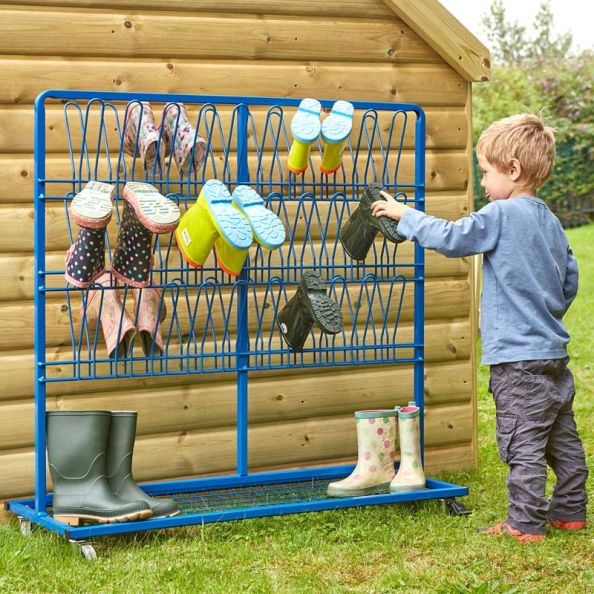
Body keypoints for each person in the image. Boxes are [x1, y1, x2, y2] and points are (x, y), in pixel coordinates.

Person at [371, 113, 588, 543]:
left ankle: (524, 523)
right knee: (562, 438)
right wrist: (544, 316)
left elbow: (453, 238)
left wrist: (404, 215)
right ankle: (570, 511)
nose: (483, 183)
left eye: (486, 172)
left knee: (522, 443)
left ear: (514, 169)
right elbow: (569, 280)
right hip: (552, 354)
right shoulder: (551, 221)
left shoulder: (501, 214)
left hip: (516, 360)